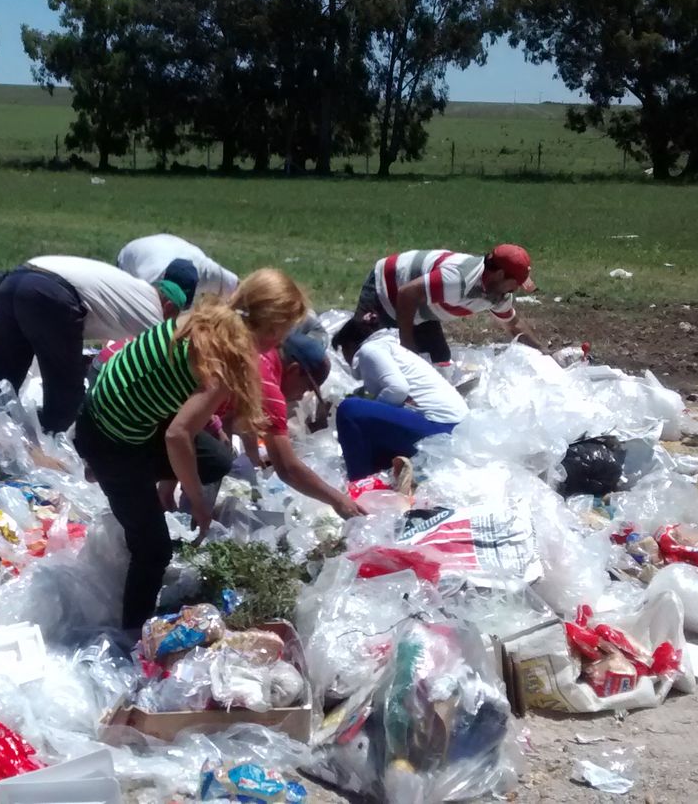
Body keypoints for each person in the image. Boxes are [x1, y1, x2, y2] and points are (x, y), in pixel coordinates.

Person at [75, 269, 307, 631]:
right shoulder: (228, 358)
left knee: (215, 459)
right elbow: (177, 435)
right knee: (154, 551)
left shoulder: (204, 319)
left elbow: (178, 402)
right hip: (112, 439)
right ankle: (132, 640)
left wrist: (172, 481)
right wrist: (198, 503)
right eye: (285, 331)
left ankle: (118, 475)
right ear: (274, 328)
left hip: (113, 408)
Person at [0, 255, 194, 434]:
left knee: (1, 372)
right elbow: (171, 359)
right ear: (167, 306)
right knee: (67, 392)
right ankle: (47, 443)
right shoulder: (153, 312)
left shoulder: (132, 288)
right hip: (51, 293)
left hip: (15, 280)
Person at [234, 320, 365, 519]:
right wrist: (339, 501)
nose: (302, 396)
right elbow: (287, 468)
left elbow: (241, 417)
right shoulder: (269, 387)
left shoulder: (260, 356)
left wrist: (252, 459)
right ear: (294, 370)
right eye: (306, 387)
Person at [354, 244, 544, 365]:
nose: (517, 289)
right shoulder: (457, 279)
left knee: (440, 360)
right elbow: (407, 294)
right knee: (367, 357)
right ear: (500, 275)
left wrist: (544, 352)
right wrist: (407, 346)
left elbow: (514, 325)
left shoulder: (498, 293)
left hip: (420, 307)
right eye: (516, 283)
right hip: (386, 289)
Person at [331, 318, 469, 480]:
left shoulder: (370, 349)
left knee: (350, 410)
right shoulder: (391, 348)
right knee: (369, 423)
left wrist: (372, 408)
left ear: (350, 346)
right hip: (455, 430)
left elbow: (397, 389)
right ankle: (378, 480)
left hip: (440, 427)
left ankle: (359, 483)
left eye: (343, 352)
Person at [118, 233, 239, 299]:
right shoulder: (149, 282)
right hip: (131, 258)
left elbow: (240, 289)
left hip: (173, 246)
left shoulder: (208, 272)